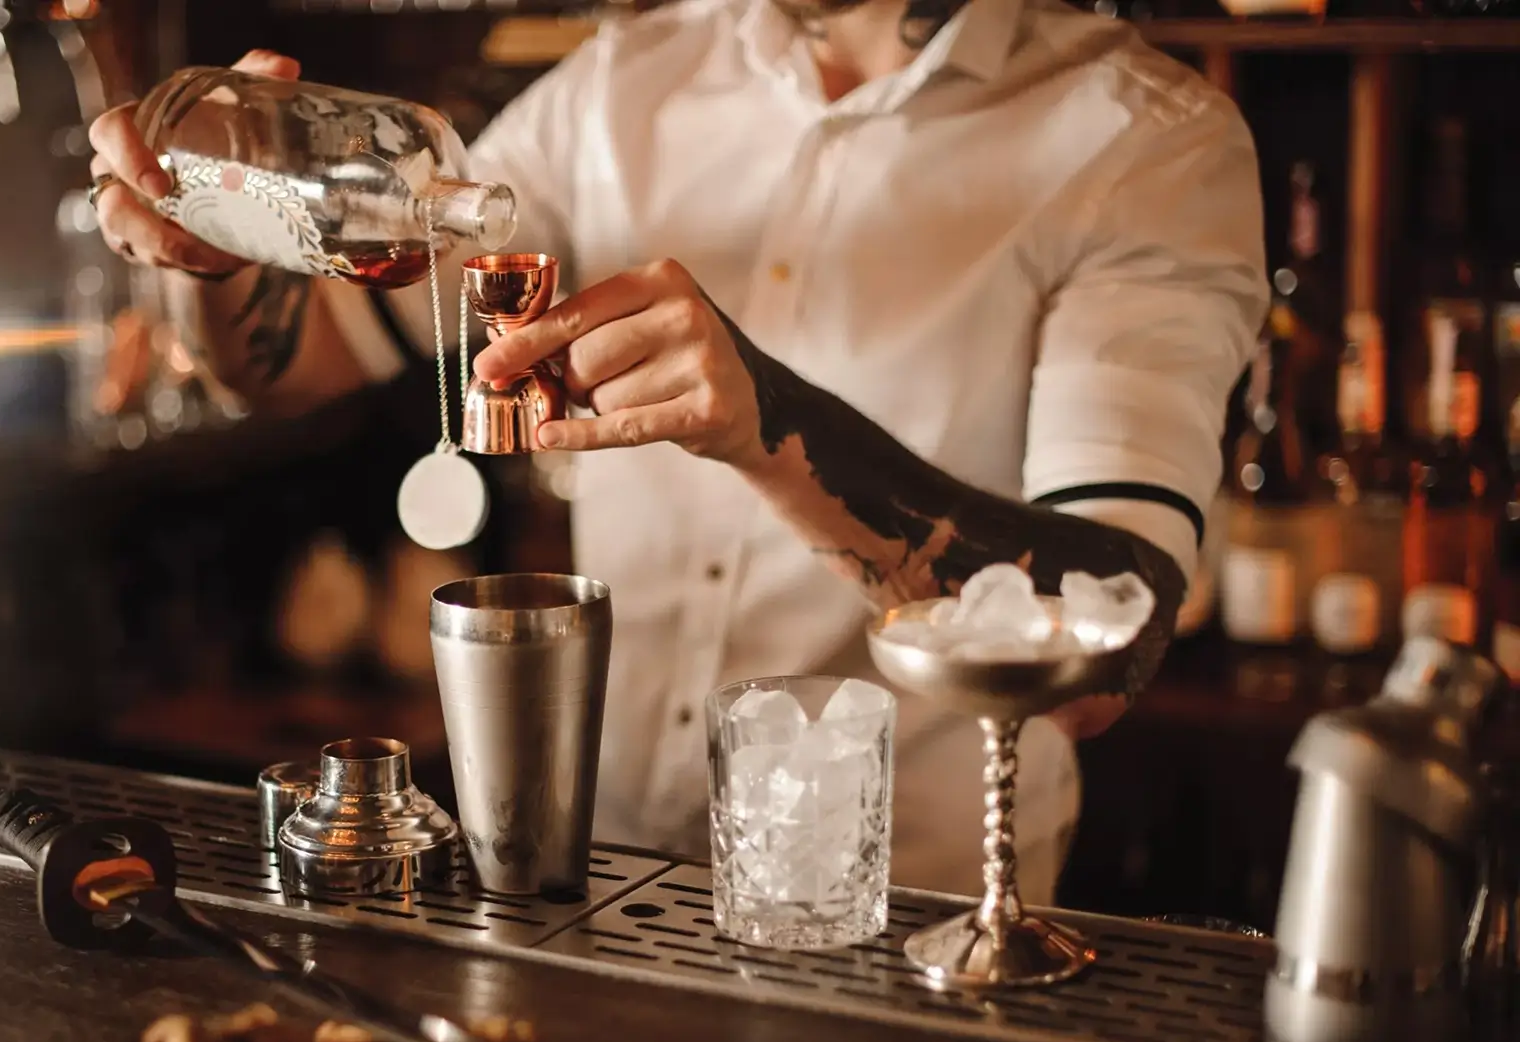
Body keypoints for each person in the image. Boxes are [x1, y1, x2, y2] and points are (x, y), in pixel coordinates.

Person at [86, 0, 1266, 902]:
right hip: (589, 885)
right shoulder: (623, 83)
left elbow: (1115, 643)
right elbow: (301, 361)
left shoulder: (1143, 142)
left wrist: (774, 429)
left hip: (909, 916)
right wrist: (216, 247)